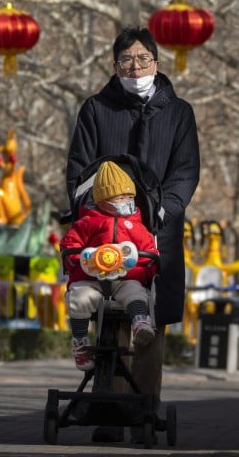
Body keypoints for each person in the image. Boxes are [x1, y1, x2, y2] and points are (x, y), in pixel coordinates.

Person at [65, 26, 200, 442]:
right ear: (115, 65)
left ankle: (144, 410)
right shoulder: (95, 109)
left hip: (156, 232)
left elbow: (186, 171)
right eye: (126, 60)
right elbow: (78, 167)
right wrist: (91, 209)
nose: (135, 66)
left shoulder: (178, 113)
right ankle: (108, 411)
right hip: (102, 229)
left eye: (143, 59)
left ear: (157, 64)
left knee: (148, 321)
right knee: (106, 312)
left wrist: (163, 208)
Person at [60, 161, 158, 370]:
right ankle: (80, 341)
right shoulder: (88, 223)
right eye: (121, 198)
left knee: (135, 293)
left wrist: (140, 269)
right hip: (91, 278)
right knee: (79, 298)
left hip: (126, 277)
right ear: (102, 201)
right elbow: (69, 245)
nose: (127, 202)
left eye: (130, 197)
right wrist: (82, 261)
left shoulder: (136, 226)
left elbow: (150, 251)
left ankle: (140, 322)